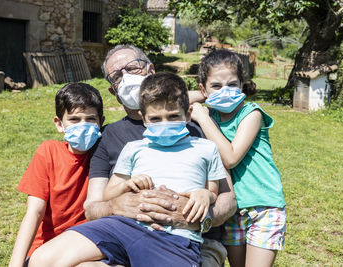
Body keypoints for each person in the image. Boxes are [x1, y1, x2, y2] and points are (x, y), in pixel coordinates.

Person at [29, 72, 227, 267]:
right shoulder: (134, 148)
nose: (164, 124)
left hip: (174, 237)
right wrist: (127, 185)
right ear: (144, 118)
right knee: (43, 260)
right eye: (156, 119)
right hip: (123, 226)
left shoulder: (205, 148)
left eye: (173, 116)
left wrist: (205, 196)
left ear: (188, 114)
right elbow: (108, 194)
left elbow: (214, 193)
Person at [190, 49, 286, 267]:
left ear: (242, 85)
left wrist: (204, 119)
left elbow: (231, 157)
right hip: (233, 209)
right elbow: (174, 98)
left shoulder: (252, 113)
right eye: (216, 86)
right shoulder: (212, 112)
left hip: (264, 206)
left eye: (232, 85)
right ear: (203, 89)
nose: (225, 91)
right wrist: (204, 96)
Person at [8, 83, 104, 267]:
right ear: (59, 124)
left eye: (91, 119)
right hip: (46, 248)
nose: (83, 125)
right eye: (74, 119)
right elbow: (35, 212)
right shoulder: (48, 152)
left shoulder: (104, 152)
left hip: (87, 244)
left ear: (101, 121)